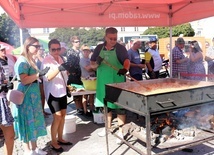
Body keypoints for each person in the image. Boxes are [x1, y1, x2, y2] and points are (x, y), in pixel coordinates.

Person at [90, 27, 130, 144]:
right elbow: (92, 65)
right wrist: (97, 63)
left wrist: (125, 68)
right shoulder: (98, 48)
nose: (113, 40)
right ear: (105, 37)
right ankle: (107, 128)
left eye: (115, 38)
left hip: (118, 81)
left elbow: (126, 60)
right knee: (105, 106)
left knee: (119, 107)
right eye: (111, 38)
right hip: (103, 82)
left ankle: (121, 132)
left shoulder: (121, 48)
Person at [13, 37, 49, 155]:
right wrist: (39, 74)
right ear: (28, 46)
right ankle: (27, 150)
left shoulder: (30, 60)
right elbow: (23, 80)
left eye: (39, 46)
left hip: (33, 96)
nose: (38, 48)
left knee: (34, 120)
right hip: (26, 96)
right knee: (27, 121)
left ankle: (35, 148)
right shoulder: (22, 61)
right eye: (36, 46)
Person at [41, 39, 72, 153]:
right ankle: (53, 142)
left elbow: (64, 75)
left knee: (63, 115)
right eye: (53, 49)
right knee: (57, 117)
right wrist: (59, 69)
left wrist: (66, 71)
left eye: (58, 49)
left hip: (62, 90)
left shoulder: (61, 58)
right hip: (52, 92)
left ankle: (60, 138)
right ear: (49, 49)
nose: (56, 51)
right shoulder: (46, 61)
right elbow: (47, 77)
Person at [0, 45, 15, 155]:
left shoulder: (3, 63)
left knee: (10, 135)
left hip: (2, 101)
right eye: (1, 50)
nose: (4, 52)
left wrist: (6, 84)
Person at [66, 36, 84, 115]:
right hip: (74, 74)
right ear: (72, 42)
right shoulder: (70, 51)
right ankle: (78, 108)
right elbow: (69, 64)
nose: (78, 43)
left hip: (80, 73)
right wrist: (72, 72)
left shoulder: (80, 51)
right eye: (76, 41)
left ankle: (81, 107)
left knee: (81, 91)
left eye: (79, 41)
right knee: (76, 91)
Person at [34, 48, 51, 117]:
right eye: (39, 49)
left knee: (43, 96)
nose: (41, 51)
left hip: (43, 79)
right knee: (40, 96)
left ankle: (43, 110)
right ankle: (40, 112)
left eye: (42, 49)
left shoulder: (42, 58)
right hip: (37, 80)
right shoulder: (35, 58)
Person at [80, 45, 96, 116]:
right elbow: (88, 68)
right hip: (86, 78)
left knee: (92, 94)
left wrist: (93, 67)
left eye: (87, 51)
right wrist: (93, 67)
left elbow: (94, 68)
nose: (86, 52)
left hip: (92, 78)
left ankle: (92, 109)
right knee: (85, 94)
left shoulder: (90, 60)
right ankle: (85, 110)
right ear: (83, 52)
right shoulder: (82, 60)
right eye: (84, 51)